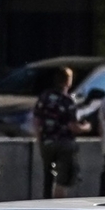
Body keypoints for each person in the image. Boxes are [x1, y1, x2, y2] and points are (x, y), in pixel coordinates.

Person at [34, 66, 79, 195]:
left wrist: (40, 140)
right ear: (68, 81)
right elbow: (73, 126)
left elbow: (36, 120)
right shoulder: (68, 100)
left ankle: (46, 200)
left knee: (48, 175)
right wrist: (87, 127)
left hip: (47, 142)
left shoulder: (44, 96)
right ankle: (58, 204)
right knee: (62, 179)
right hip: (64, 142)